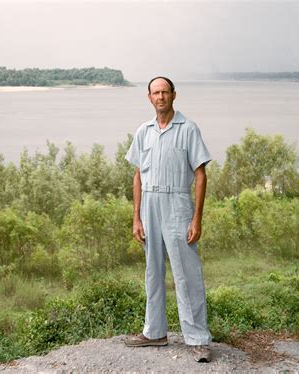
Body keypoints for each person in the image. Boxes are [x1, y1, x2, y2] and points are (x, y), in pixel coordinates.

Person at [124, 76, 213, 363]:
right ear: (149, 98)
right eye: (155, 92)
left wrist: (196, 218)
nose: (160, 97)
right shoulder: (143, 131)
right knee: (153, 271)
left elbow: (200, 175)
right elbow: (138, 175)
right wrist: (136, 217)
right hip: (149, 203)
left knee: (186, 274)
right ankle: (155, 332)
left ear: (174, 95)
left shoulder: (188, 129)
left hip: (177, 203)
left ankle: (198, 338)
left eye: (165, 92)